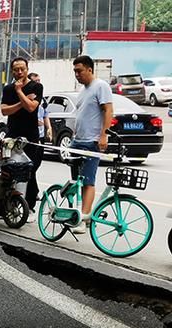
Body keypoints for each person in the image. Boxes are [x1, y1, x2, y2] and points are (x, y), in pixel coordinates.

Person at [70, 55, 113, 234]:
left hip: (90, 142)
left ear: (89, 69)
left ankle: (84, 218)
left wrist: (103, 135)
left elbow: (108, 110)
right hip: (77, 141)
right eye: (75, 72)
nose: (77, 75)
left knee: (88, 181)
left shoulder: (101, 86)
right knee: (77, 182)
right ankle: (78, 214)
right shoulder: (84, 90)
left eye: (79, 71)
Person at [0, 57, 43, 221]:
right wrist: (22, 102)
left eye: (22, 69)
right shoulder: (8, 89)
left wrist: (19, 92)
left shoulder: (36, 86)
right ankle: (9, 204)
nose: (19, 72)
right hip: (12, 135)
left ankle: (30, 205)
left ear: (27, 69)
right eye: (16, 69)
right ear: (12, 70)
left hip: (30, 136)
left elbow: (32, 108)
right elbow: (4, 111)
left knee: (29, 170)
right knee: (9, 170)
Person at [29, 73, 52, 145]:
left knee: (39, 154)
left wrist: (49, 128)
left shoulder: (42, 99)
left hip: (41, 135)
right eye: (36, 81)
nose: (38, 83)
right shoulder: (27, 98)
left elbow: (45, 115)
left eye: (39, 81)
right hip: (30, 134)